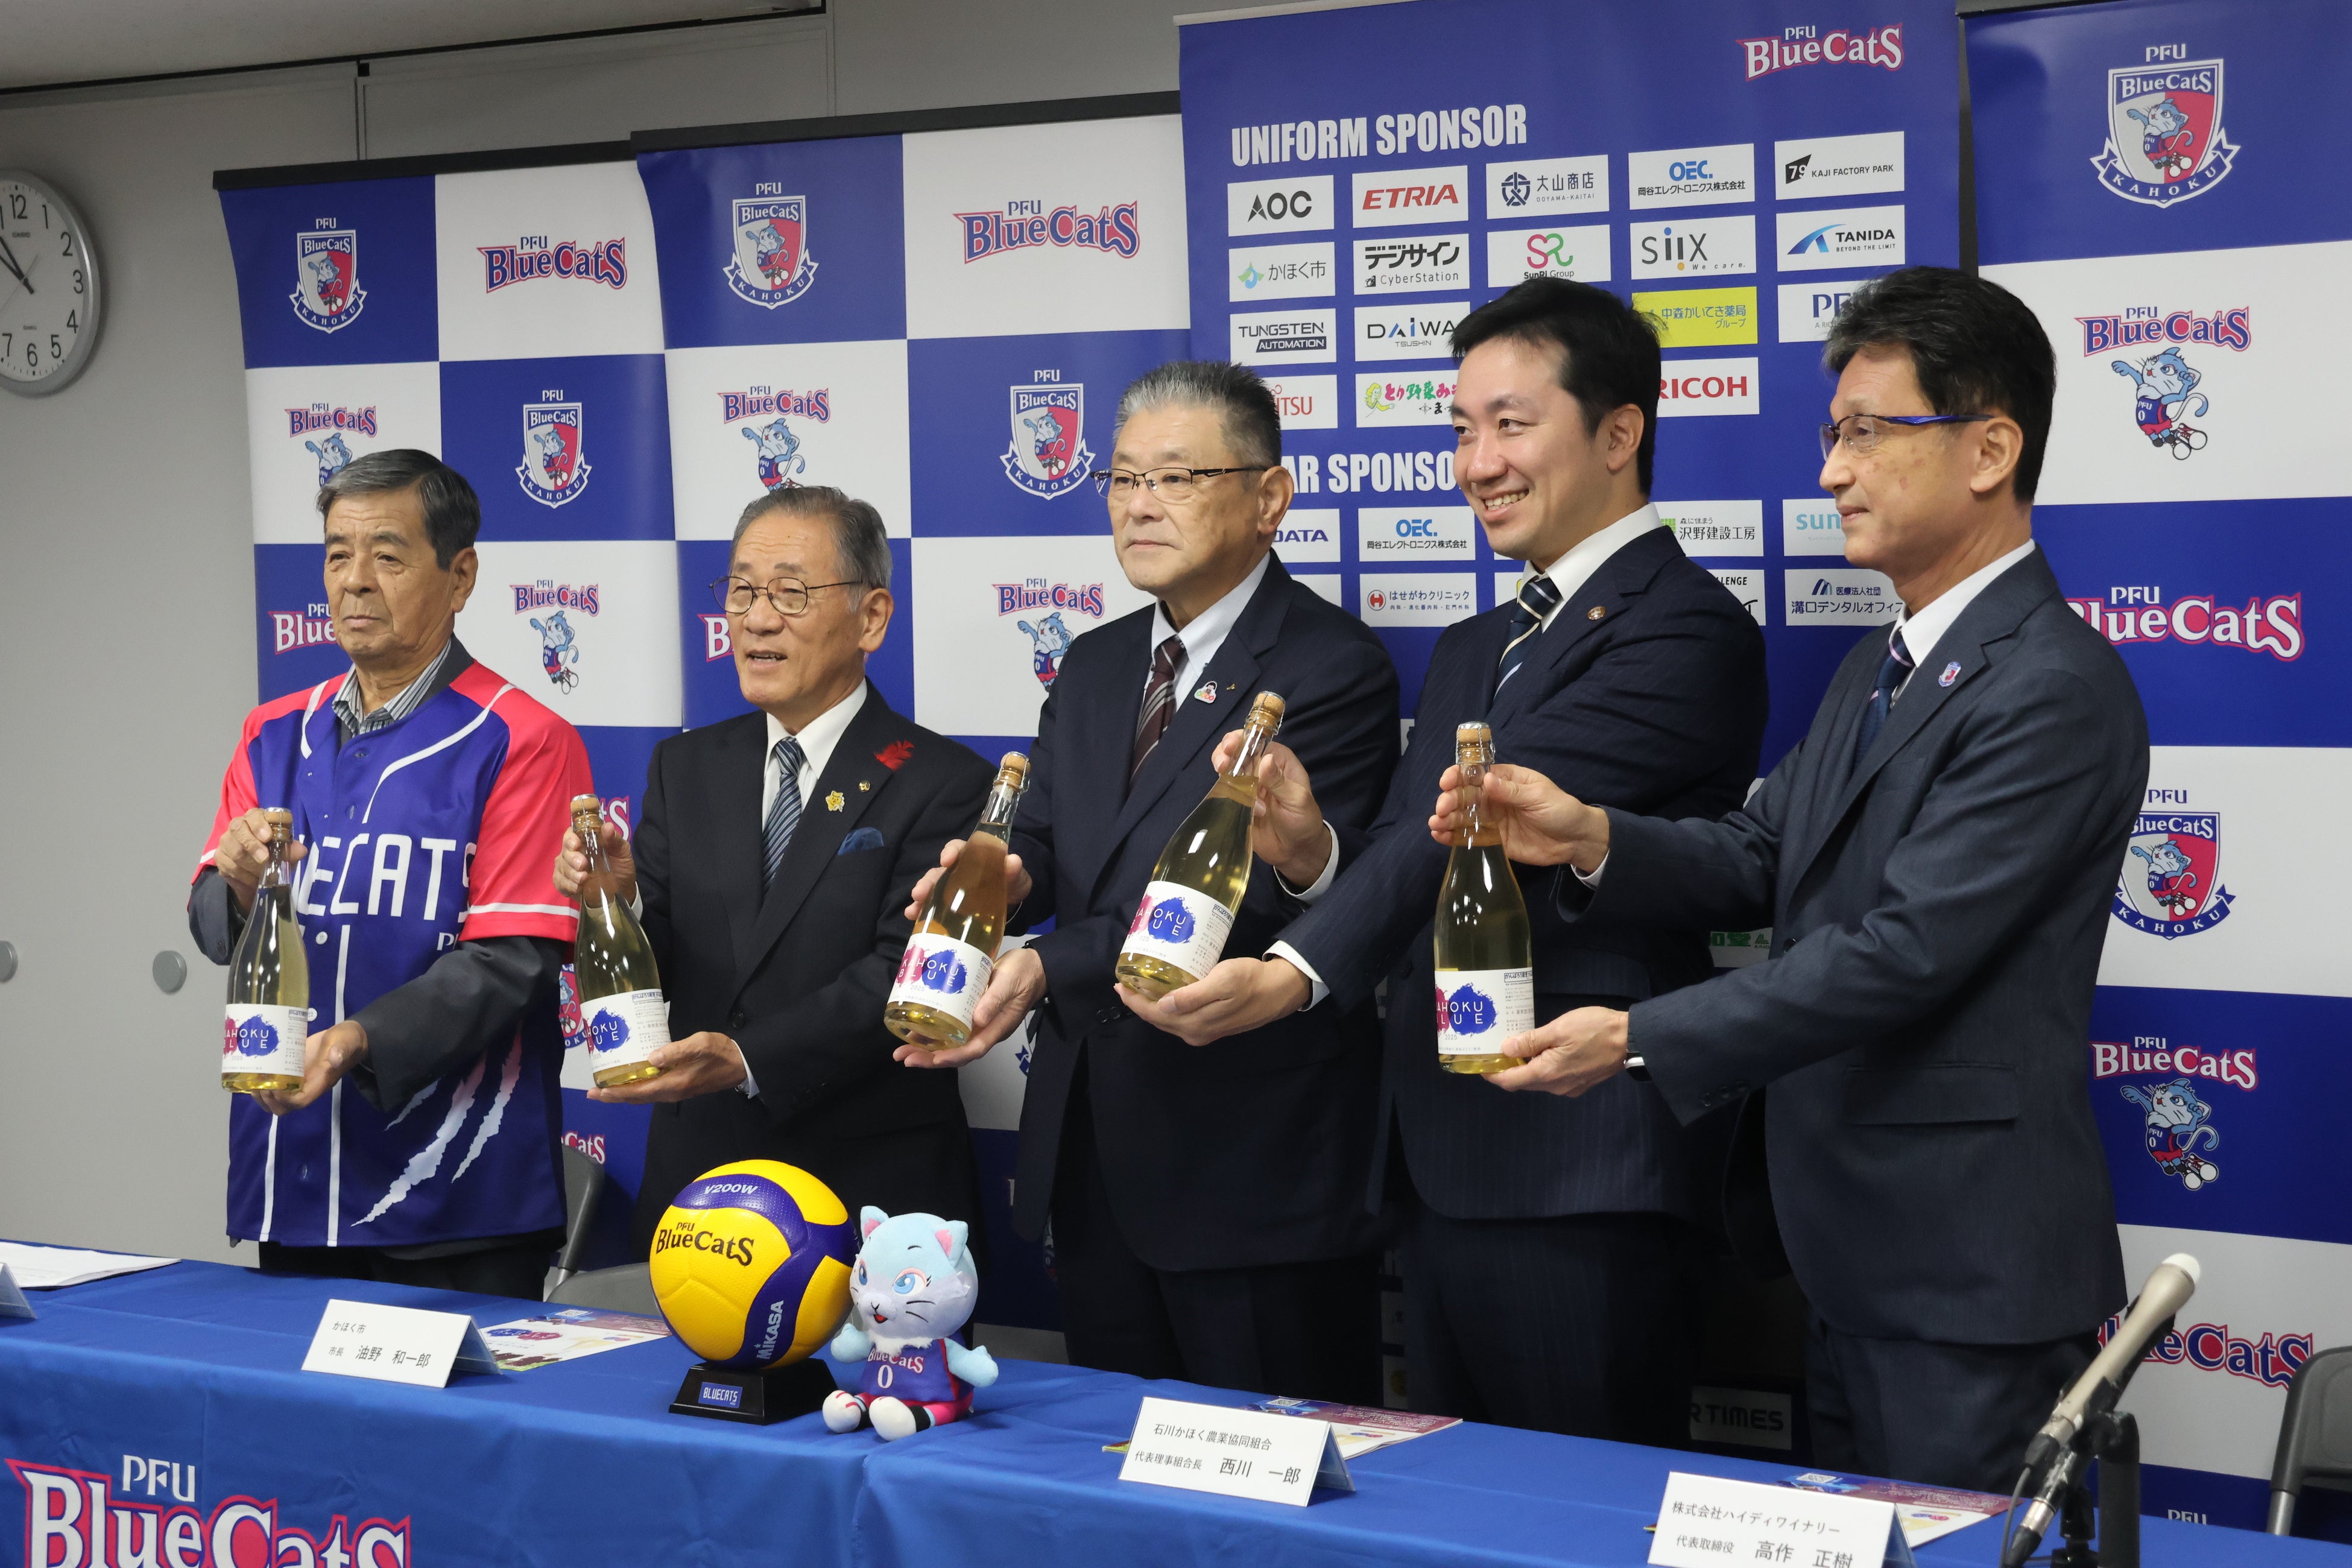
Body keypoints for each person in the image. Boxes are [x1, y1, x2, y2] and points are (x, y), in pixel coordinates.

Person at [1428, 267, 2143, 1490]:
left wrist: (1638, 1035)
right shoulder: (1882, 661)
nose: (1832, 473)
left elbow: (1904, 952)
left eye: (1868, 434)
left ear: (1990, 449)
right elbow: (1763, 852)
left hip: (1965, 1272)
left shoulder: (2052, 686)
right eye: (1832, 436)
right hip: (1842, 1250)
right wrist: (1589, 833)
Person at [1120, 279, 1768, 1444]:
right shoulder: (1479, 644)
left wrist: (1293, 974)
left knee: (1572, 1515)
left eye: (1511, 425)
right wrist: (1312, 851)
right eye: (1463, 429)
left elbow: (1461, 833)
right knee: (1453, 1516)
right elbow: (1409, 857)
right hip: (1437, 1165)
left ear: (1619, 432)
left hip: (1582, 1171)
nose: (1478, 463)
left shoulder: (1686, 627)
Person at [901, 361, 1400, 1403]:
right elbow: (1050, 841)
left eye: (1175, 478)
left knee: (1262, 1468)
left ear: (1269, 498)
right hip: (1093, 1153)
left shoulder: (1329, 666)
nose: (1139, 505)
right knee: (1113, 1463)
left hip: (1250, 1172)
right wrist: (998, 883)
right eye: (1124, 479)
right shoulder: (1094, 662)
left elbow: (1251, 900)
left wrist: (1047, 963)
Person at [189, 450, 593, 1300]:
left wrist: (352, 1041)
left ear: (461, 575)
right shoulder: (272, 732)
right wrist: (234, 877)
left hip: (458, 1189)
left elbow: (512, 961)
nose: (355, 581)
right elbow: (215, 927)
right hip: (293, 1177)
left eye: (388, 555)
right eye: (338, 554)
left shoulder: (522, 737)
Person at [553, 486, 990, 1250]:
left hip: (864, 1198)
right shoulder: (685, 765)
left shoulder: (945, 781)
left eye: (790, 592)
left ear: (872, 617)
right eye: (742, 591)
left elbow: (906, 974)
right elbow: (658, 957)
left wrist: (747, 1058)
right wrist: (617, 903)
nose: (756, 619)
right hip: (699, 1187)